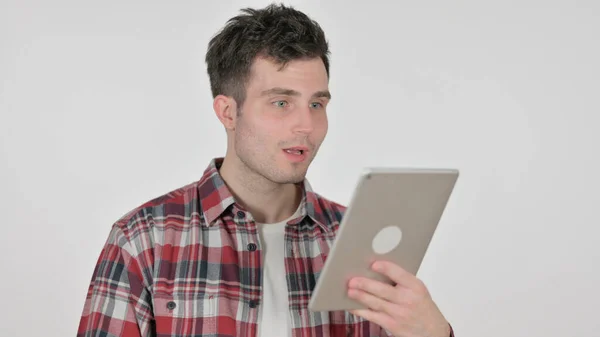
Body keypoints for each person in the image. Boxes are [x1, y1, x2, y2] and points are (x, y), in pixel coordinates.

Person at [77, 3, 454, 337]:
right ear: (228, 111)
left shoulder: (355, 241)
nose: (306, 125)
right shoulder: (144, 238)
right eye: (280, 103)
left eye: (317, 104)